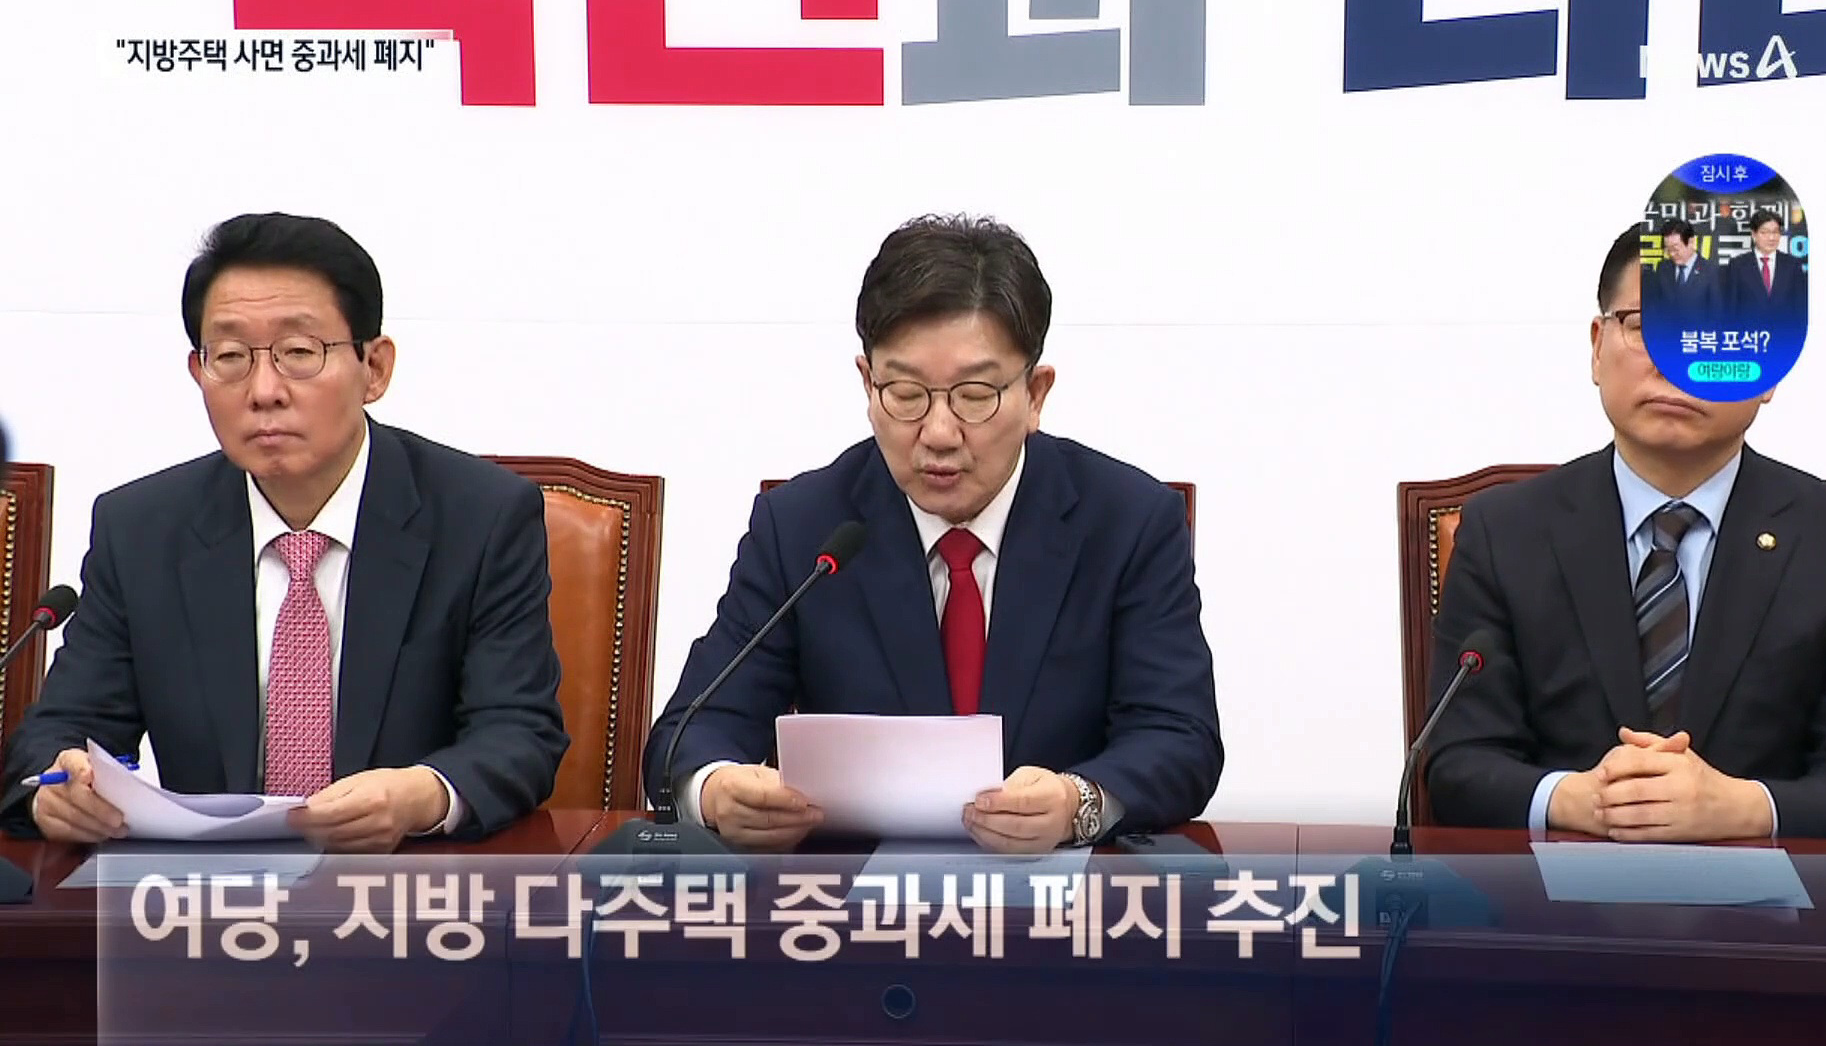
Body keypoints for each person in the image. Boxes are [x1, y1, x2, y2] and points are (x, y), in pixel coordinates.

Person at [643, 214, 1223, 854]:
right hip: (852, 900)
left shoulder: (1127, 522)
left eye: (974, 395)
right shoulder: (805, 527)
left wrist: (1076, 803)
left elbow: (1180, 737)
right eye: (906, 393)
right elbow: (690, 732)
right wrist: (716, 789)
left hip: (1064, 892)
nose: (940, 433)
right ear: (867, 384)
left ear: (1035, 394)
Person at [0, 213, 570, 851]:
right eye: (231, 357)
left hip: (408, 883)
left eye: (299, 353)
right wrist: (57, 788)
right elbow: (61, 730)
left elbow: (518, 733)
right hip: (205, 893)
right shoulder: (141, 530)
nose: (264, 391)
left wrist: (422, 794)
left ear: (374, 367)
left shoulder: (482, 518)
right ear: (198, 371)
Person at [1424, 225, 1826, 843]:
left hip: (1770, 902)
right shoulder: (1504, 534)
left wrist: (1739, 808)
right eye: (1646, 327)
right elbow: (1456, 764)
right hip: (1551, 894)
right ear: (1598, 346)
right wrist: (1583, 799)